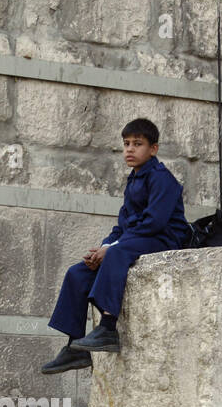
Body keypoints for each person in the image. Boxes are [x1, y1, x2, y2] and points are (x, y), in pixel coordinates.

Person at [41, 117, 190, 374]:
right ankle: (74, 347)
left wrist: (113, 249)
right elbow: (123, 225)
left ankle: (108, 328)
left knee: (117, 254)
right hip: (137, 238)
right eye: (126, 144)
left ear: (153, 149)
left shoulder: (162, 179)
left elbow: (154, 222)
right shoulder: (134, 180)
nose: (130, 150)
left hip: (163, 238)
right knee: (78, 272)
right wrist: (103, 246)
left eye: (138, 144)